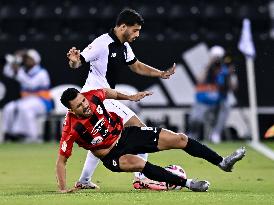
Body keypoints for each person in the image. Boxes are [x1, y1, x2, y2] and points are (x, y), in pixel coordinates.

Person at [56, 87, 246, 193]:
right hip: (111, 155)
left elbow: (108, 93)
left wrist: (130, 97)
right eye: (79, 106)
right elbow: (61, 160)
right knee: (140, 164)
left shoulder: (93, 96)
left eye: (83, 101)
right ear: (71, 110)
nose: (85, 106)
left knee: (179, 139)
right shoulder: (71, 129)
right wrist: (63, 188)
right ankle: (188, 184)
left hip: (127, 135)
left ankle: (222, 162)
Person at [66, 8, 176, 190]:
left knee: (100, 139)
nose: (138, 34)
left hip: (102, 98)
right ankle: (141, 177)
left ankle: (84, 181)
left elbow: (136, 66)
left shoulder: (124, 46)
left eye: (139, 30)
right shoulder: (102, 43)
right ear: (123, 26)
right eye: (135, 30)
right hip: (96, 97)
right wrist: (73, 60)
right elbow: (78, 61)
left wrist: (160, 74)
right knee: (141, 130)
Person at [1, 49, 54, 143]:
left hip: (43, 102)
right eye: (25, 58)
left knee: (24, 108)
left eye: (29, 58)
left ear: (36, 60)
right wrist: (13, 61)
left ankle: (31, 136)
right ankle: (8, 133)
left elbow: (30, 84)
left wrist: (17, 71)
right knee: (9, 107)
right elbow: (6, 72)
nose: (27, 60)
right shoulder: (22, 71)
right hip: (27, 100)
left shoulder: (42, 72)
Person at [188, 46, 232, 143]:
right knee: (195, 118)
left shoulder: (225, 69)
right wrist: (209, 65)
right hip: (203, 102)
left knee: (226, 107)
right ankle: (192, 136)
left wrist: (228, 74)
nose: (216, 61)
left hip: (218, 103)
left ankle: (216, 133)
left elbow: (233, 86)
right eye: (214, 58)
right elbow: (199, 80)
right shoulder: (206, 67)